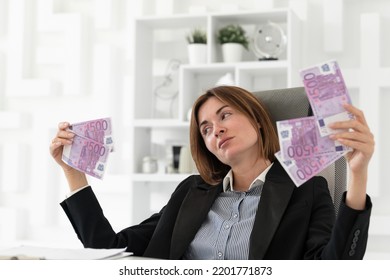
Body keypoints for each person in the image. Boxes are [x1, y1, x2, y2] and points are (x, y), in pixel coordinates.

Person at [49, 85, 374, 259]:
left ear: (258, 120)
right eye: (205, 129)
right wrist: (73, 173)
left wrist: (357, 175)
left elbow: (335, 267)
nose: (215, 130)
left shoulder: (306, 189)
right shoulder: (191, 191)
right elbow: (108, 248)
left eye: (225, 115)